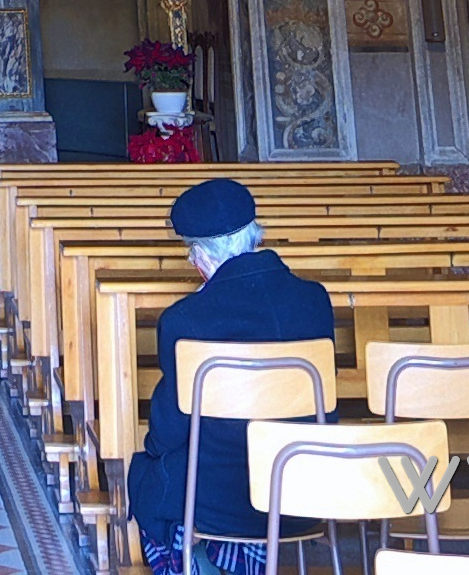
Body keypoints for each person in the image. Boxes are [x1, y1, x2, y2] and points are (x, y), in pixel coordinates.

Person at [126, 176, 334, 574]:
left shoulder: (184, 319)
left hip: (219, 501)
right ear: (255, 236)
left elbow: (166, 434)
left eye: (191, 251)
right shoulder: (315, 300)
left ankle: (198, 564)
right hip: (304, 484)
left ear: (202, 254)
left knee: (147, 474)